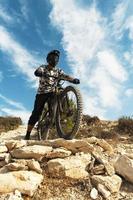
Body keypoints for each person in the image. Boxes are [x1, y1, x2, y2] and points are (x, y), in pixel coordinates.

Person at [24, 50, 80, 140]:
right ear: (49, 59)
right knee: (36, 114)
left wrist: (74, 79)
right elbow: (37, 71)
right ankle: (28, 134)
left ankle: (61, 112)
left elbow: (66, 76)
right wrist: (39, 73)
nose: (55, 59)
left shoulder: (58, 71)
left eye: (56, 58)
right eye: (53, 57)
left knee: (59, 95)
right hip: (42, 93)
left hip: (52, 93)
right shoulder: (43, 67)